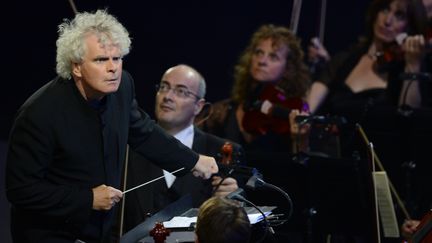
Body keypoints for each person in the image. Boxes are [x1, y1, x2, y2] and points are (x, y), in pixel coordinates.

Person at [5, 10, 218, 243]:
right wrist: (88, 199)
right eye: (100, 60)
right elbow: (21, 190)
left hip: (99, 231)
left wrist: (192, 160)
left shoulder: (123, 85)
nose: (113, 68)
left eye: (117, 58)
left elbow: (144, 133)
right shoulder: (39, 113)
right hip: (48, 234)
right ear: (76, 67)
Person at [122, 64, 244, 232]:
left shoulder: (222, 149)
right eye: (164, 87)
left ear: (199, 106)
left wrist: (233, 199)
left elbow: (233, 225)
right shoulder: (128, 146)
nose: (168, 96)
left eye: (181, 91)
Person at [196, 24, 311, 154]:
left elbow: (300, 169)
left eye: (273, 57)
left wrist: (301, 139)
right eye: (259, 53)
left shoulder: (288, 114)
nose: (262, 61)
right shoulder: (222, 111)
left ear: (288, 68)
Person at [306, 0, 425, 115]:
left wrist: (413, 64)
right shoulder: (344, 59)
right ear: (375, 13)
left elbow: (409, 117)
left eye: (399, 16)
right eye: (384, 10)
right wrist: (304, 117)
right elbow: (309, 108)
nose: (387, 21)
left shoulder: (405, 69)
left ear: (410, 27)